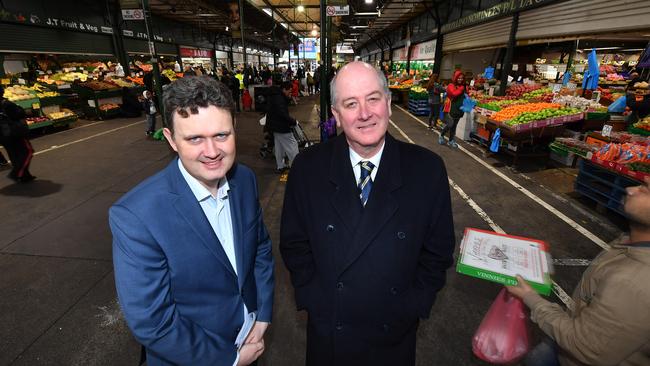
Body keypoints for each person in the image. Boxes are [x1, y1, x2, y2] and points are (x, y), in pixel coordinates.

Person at [279, 61, 455, 366]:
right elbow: (294, 244)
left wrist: (413, 305)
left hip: (393, 334)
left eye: (373, 98)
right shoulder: (308, 169)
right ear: (336, 114)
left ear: (388, 103)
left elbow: (438, 252)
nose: (364, 113)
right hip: (331, 332)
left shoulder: (427, 170)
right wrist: (315, 300)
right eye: (351, 103)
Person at [110, 76, 274, 366]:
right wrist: (231, 359)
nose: (212, 152)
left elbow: (260, 247)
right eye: (195, 138)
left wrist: (262, 313)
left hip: (251, 341)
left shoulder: (245, 180)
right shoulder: (136, 216)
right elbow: (153, 322)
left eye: (222, 135)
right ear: (171, 140)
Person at [507, 176, 650, 366]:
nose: (631, 190)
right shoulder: (631, 241)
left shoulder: (635, 282)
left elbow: (583, 347)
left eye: (646, 190)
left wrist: (529, 297)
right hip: (566, 340)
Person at [0, 85, 35, 183]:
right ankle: (17, 173)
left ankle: (25, 176)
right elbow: (19, 114)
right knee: (28, 152)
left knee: (14, 154)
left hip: (3, 135)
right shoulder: (6, 104)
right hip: (14, 133)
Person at [265, 81, 299, 173]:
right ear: (284, 89)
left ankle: (280, 166)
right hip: (281, 126)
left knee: (279, 147)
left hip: (275, 126)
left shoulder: (276, 96)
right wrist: (293, 121)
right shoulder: (279, 99)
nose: (290, 93)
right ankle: (296, 167)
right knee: (293, 145)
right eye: (289, 91)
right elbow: (282, 114)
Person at [440, 70, 466, 148]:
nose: (460, 79)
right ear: (455, 78)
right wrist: (461, 89)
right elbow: (454, 94)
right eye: (458, 78)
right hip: (450, 109)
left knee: (454, 126)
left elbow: (464, 96)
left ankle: (451, 140)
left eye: (462, 78)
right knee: (450, 124)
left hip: (459, 110)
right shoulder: (451, 85)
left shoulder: (463, 86)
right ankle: (441, 135)